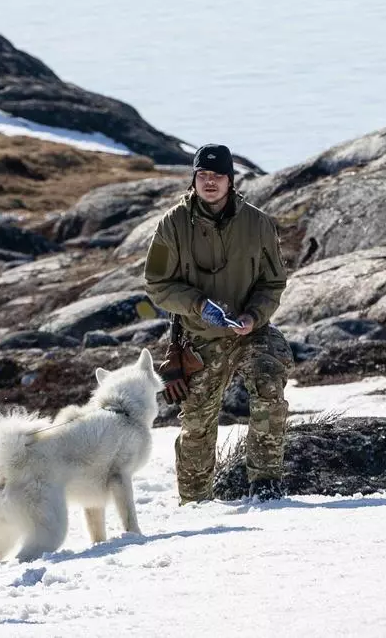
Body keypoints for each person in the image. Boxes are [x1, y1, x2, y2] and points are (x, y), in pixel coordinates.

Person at [144, 143, 291, 504]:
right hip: (199, 339)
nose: (210, 182)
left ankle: (266, 484)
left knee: (268, 386)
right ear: (194, 179)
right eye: (203, 175)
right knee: (196, 424)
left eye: (218, 175)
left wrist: (253, 316)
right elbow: (157, 284)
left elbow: (273, 283)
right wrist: (195, 304)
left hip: (250, 333)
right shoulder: (171, 225)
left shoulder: (258, 223)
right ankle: (194, 502)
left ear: (231, 179)